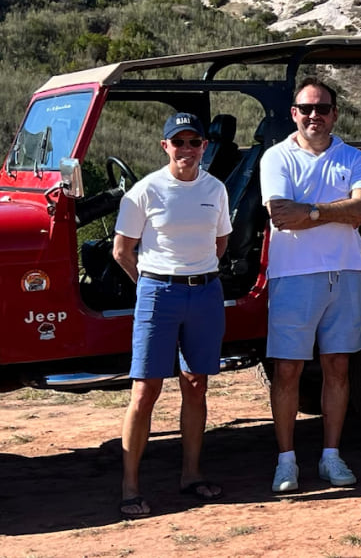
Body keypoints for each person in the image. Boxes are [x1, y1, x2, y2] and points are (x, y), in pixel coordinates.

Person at [112, 113, 232, 518]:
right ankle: (130, 487)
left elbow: (221, 241)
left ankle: (191, 475)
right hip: (158, 293)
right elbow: (121, 251)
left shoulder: (215, 189)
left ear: (203, 146)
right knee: (146, 390)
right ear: (165, 146)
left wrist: (194, 275)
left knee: (196, 384)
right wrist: (151, 283)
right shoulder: (145, 191)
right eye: (178, 142)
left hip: (205, 292)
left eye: (193, 142)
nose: (186, 150)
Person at [261, 78, 361, 493]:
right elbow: (279, 214)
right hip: (293, 275)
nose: (314, 116)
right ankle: (286, 461)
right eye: (306, 109)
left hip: (345, 272)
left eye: (322, 109)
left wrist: (308, 211)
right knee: (287, 369)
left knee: (338, 366)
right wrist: (333, 211)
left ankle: (331, 455)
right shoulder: (277, 158)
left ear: (334, 114)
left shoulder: (353, 156)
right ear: (294, 113)